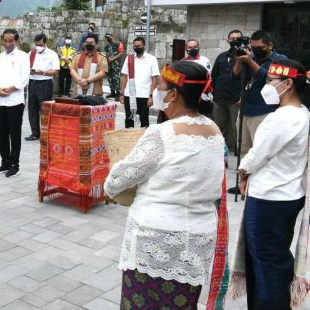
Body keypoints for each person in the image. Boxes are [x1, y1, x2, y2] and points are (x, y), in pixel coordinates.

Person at [105, 61, 228, 309]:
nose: (156, 91)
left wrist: (110, 188)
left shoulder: (162, 133)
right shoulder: (214, 130)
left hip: (155, 239)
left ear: (172, 94)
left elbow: (120, 178)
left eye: (160, 85)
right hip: (198, 239)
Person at [231, 60, 310, 310]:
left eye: (271, 82)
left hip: (271, 198)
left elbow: (258, 153)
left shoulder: (285, 117)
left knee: (267, 261)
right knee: (270, 257)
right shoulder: (302, 113)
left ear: (289, 84)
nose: (266, 86)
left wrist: (243, 171)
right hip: (284, 195)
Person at [229, 30, 286, 194]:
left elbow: (267, 77)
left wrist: (251, 61)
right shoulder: (250, 55)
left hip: (264, 110)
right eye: (253, 47)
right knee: (244, 148)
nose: (255, 50)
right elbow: (234, 76)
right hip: (246, 108)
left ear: (270, 45)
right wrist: (240, 60)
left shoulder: (279, 60)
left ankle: (258, 185)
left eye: (259, 47)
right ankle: (243, 182)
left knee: (260, 149)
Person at [0, 29, 30, 177]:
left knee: (14, 133)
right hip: (0, 100)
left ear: (16, 41)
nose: (7, 44)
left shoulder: (23, 57)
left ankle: (15, 164)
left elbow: (24, 78)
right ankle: (5, 162)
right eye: (5, 41)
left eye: (10, 41)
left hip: (14, 101)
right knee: (2, 133)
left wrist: (11, 89)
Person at [211, 30, 243, 159]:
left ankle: (236, 150)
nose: (234, 40)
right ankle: (219, 149)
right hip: (219, 97)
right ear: (227, 40)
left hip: (236, 98)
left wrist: (242, 96)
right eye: (232, 38)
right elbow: (214, 76)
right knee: (219, 125)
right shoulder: (221, 56)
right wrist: (213, 92)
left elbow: (247, 78)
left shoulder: (245, 57)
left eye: (237, 38)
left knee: (236, 127)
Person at [26, 33, 60, 141]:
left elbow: (55, 71)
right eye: (36, 44)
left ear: (45, 43)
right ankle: (35, 133)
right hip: (32, 82)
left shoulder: (52, 54)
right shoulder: (31, 53)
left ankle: (46, 133)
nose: (38, 47)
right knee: (32, 109)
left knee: (44, 110)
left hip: (44, 83)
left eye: (40, 44)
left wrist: (43, 73)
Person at [120, 37, 160, 128]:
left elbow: (154, 79)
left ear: (144, 46)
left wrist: (151, 96)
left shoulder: (152, 59)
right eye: (135, 46)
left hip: (144, 95)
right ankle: (130, 138)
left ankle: (144, 140)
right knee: (129, 118)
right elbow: (124, 77)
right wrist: (121, 93)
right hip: (129, 94)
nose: (137, 48)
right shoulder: (129, 58)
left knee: (144, 119)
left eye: (139, 46)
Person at [70, 33, 108, 97]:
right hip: (77, 92)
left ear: (96, 44)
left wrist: (87, 81)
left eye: (91, 42)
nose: (89, 44)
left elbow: (103, 72)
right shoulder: (77, 56)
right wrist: (80, 81)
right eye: (87, 42)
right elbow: (72, 70)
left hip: (95, 93)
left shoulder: (102, 57)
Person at [104, 33, 124, 99]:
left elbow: (121, 52)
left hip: (116, 64)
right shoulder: (107, 45)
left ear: (112, 36)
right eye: (106, 38)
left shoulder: (118, 43)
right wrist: (108, 58)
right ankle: (112, 92)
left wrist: (113, 58)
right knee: (110, 78)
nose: (107, 38)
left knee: (116, 78)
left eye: (108, 37)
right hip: (109, 64)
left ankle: (118, 93)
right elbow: (106, 53)